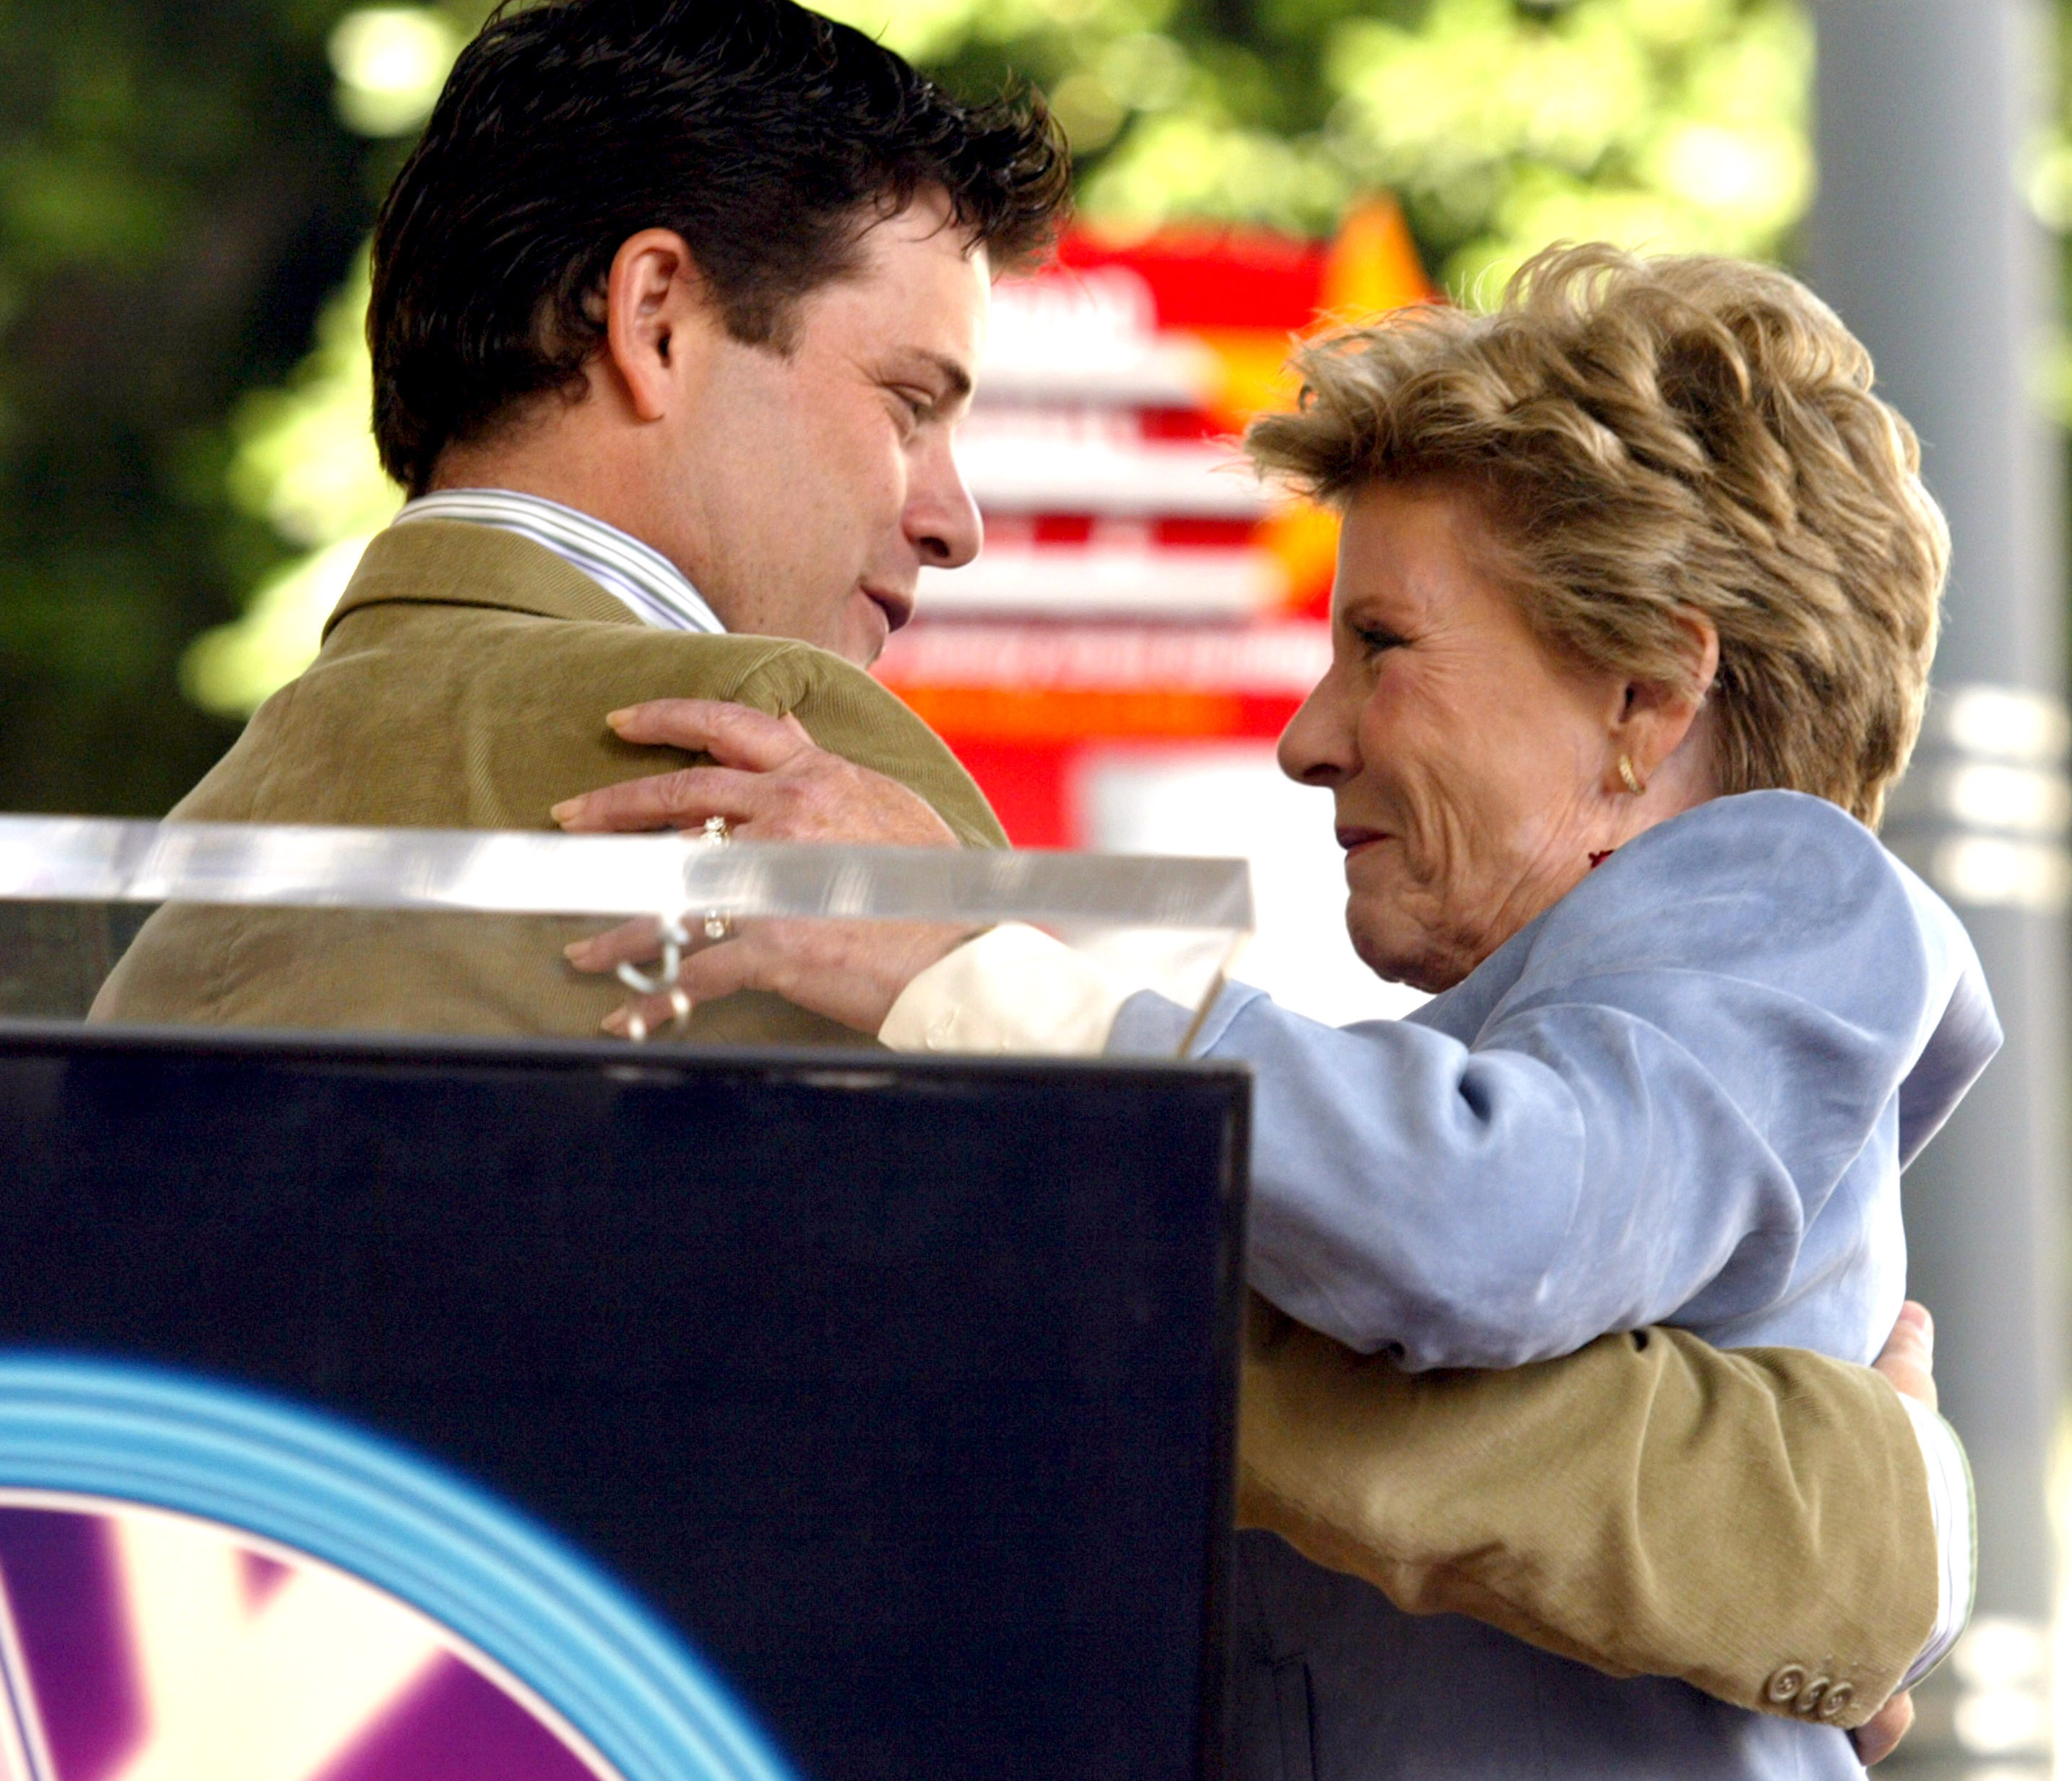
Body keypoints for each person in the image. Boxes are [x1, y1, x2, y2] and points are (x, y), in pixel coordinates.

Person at [94, 0, 1958, 1755]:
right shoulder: (748, 757)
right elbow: (1246, 1372)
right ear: (654, 317)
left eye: (1379, 646)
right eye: (913, 399)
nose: (960, 515)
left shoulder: (226, 827)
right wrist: (1873, 1527)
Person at [563, 243, 1988, 1777]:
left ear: (1644, 696)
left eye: (1380, 646)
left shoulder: (1788, 889)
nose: (1308, 741)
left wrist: (965, 955)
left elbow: (1480, 1226)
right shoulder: (1466, 1081)